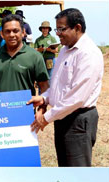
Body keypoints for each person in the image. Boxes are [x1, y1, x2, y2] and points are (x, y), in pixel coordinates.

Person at [28, 8, 104, 166]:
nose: (58, 34)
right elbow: (57, 85)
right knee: (64, 165)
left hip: (78, 121)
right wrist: (44, 97)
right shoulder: (64, 51)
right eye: (57, 29)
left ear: (77, 28)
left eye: (62, 29)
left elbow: (77, 98)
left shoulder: (88, 54)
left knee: (77, 170)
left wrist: (46, 118)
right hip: (62, 118)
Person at [0, 14, 49, 96]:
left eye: (16, 31)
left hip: (25, 107)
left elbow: (44, 85)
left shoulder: (35, 56)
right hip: (0, 106)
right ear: (2, 34)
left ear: (23, 32)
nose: (12, 35)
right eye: (7, 31)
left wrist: (43, 104)